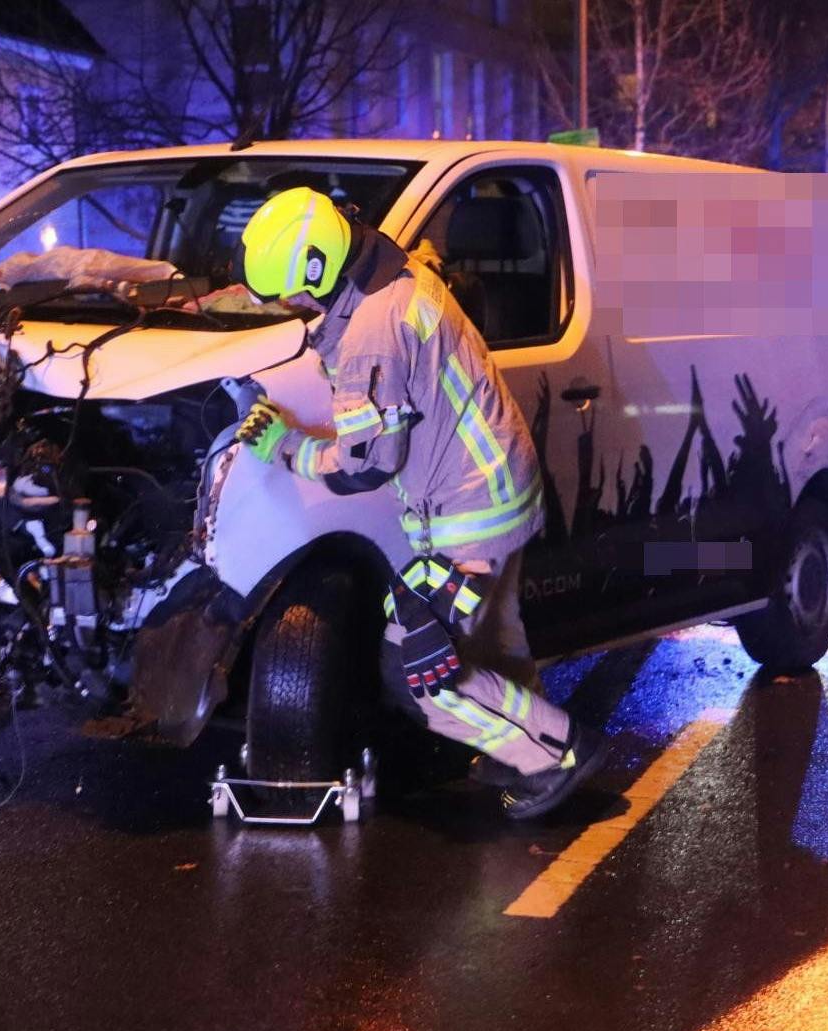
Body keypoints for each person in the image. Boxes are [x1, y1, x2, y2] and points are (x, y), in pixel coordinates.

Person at [232, 186, 606, 819]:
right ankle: (519, 746)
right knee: (493, 643)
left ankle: (557, 755)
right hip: (501, 487)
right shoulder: (398, 269)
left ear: (318, 273)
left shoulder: (373, 338)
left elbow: (368, 464)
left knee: (422, 668)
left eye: (292, 293)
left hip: (467, 515)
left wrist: (285, 446)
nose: (289, 305)